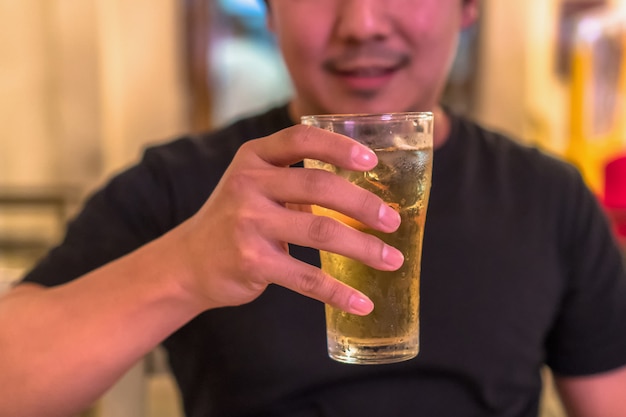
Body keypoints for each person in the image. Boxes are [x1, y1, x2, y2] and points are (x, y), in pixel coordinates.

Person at [1, 1, 625, 416]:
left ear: (468, 7)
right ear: (269, 11)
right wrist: (185, 266)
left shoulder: (552, 198)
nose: (361, 23)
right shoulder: (183, 184)